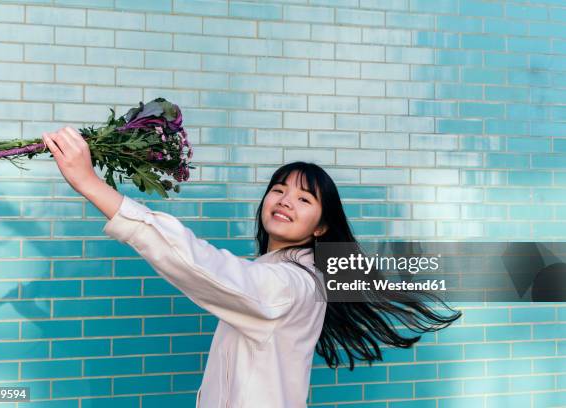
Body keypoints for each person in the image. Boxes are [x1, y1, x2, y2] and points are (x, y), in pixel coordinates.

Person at [42, 127, 462, 407]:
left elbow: (195, 261)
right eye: (279, 190)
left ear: (322, 226)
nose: (284, 200)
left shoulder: (289, 285)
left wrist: (90, 184)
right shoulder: (278, 272)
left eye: (304, 199)